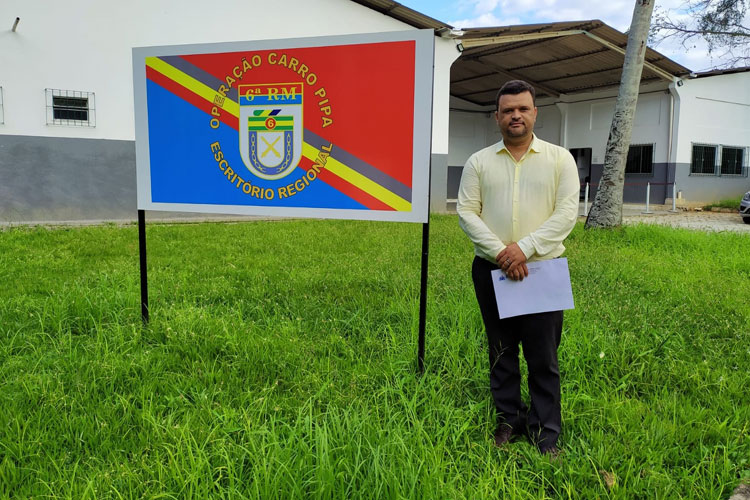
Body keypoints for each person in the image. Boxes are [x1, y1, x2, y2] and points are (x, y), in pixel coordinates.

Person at [456, 80, 579, 456]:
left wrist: (524, 249)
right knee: (501, 352)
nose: (516, 115)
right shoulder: (478, 161)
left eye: (523, 108)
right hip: (491, 271)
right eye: (508, 110)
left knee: (544, 357)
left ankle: (546, 433)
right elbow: (466, 212)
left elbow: (566, 213)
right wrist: (503, 254)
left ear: (535, 113)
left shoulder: (560, 159)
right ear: (497, 116)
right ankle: (509, 420)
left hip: (542, 272)